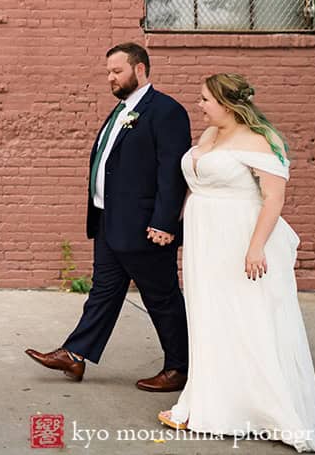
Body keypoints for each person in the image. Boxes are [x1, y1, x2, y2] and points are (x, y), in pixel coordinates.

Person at [157, 73, 315, 454]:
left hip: (240, 238)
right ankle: (212, 401)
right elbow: (196, 180)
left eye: (205, 99)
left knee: (248, 317)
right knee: (211, 315)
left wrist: (256, 247)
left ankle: (263, 406)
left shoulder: (260, 140)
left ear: (227, 104)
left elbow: (273, 199)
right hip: (205, 240)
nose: (200, 104)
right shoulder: (209, 136)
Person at [26, 43, 191, 391]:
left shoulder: (166, 111)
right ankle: (75, 355)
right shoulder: (120, 111)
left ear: (140, 69)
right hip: (109, 222)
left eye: (117, 71)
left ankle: (179, 367)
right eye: (108, 73)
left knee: (161, 297)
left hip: (145, 228)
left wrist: (164, 222)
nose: (111, 78)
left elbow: (171, 173)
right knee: (103, 292)